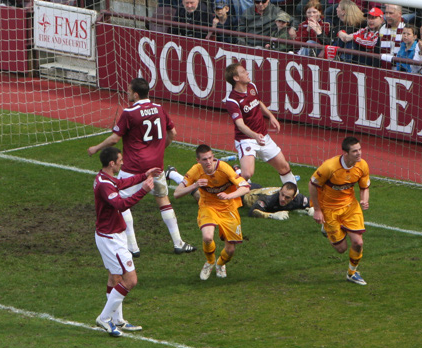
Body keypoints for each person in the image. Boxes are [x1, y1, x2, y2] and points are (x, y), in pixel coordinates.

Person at [87, 77, 195, 257]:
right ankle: (178, 243)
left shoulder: (130, 113)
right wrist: (160, 149)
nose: (127, 93)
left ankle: (133, 247)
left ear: (136, 94)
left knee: (120, 202)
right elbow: (173, 133)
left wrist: (96, 148)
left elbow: (115, 138)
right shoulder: (160, 109)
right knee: (163, 200)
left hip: (134, 167)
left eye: (129, 91)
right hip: (156, 166)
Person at [87, 147, 159, 336]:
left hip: (111, 234)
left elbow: (122, 182)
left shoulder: (107, 178)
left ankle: (117, 320)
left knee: (115, 277)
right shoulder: (104, 184)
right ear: (112, 163)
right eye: (120, 160)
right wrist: (143, 190)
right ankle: (104, 318)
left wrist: (144, 175)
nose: (122, 162)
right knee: (130, 280)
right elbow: (121, 204)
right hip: (111, 239)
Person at [172, 144, 251, 281]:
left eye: (210, 158)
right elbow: (177, 193)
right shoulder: (195, 171)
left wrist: (229, 196)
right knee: (207, 237)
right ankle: (209, 262)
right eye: (204, 159)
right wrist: (195, 185)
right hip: (208, 206)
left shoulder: (224, 168)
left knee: (230, 250)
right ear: (198, 160)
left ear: (213, 157)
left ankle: (220, 264)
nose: (208, 162)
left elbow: (245, 187)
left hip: (228, 208)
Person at [223, 61, 296, 186]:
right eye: (243, 72)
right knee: (247, 174)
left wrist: (271, 116)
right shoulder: (232, 100)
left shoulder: (252, 86)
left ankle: (294, 194)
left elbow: (258, 102)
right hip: (246, 139)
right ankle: (232, 178)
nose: (247, 73)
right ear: (236, 78)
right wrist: (254, 136)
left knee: (284, 167)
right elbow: (240, 125)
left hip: (263, 136)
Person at [310, 136, 370, 286]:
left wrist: (364, 199)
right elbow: (313, 185)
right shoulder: (329, 167)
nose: (359, 153)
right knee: (341, 249)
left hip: (350, 207)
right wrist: (317, 210)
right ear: (345, 153)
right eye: (355, 151)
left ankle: (352, 273)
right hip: (329, 209)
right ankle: (327, 227)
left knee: (358, 242)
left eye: (360, 149)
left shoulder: (362, 165)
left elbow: (364, 187)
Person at [243, 182, 313, 220]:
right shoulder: (268, 199)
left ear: (293, 197)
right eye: (282, 195)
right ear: (280, 191)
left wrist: (315, 209)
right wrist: (272, 216)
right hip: (245, 194)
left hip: (259, 188)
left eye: (287, 197)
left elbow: (313, 201)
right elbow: (252, 211)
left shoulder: (299, 198)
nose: (283, 199)